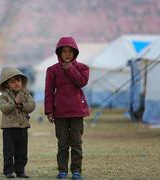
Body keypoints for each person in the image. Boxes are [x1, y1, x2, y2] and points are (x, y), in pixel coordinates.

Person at [44, 37, 90, 180]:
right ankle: (62, 171)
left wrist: (70, 68)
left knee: (76, 143)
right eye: (64, 51)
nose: (67, 54)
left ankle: (76, 171)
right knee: (62, 143)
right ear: (59, 53)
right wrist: (49, 111)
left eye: (70, 51)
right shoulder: (52, 70)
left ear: (75, 52)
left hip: (77, 112)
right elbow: (48, 92)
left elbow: (81, 82)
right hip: (60, 112)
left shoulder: (82, 68)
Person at [0, 67, 36, 178]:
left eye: (18, 80)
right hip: (8, 128)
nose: (16, 83)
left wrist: (22, 105)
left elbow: (32, 106)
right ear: (6, 84)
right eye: (12, 81)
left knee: (22, 151)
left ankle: (20, 170)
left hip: (23, 127)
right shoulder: (3, 96)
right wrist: (14, 103)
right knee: (9, 151)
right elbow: (4, 108)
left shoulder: (25, 94)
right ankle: (8, 171)